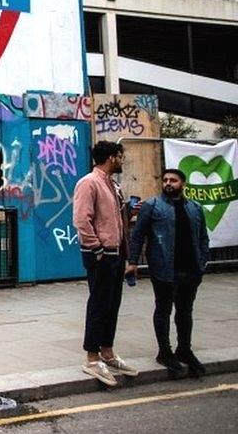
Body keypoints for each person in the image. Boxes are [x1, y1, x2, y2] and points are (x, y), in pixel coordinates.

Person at [128, 168, 210, 377]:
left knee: (185, 311)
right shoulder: (152, 206)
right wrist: (133, 262)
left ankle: (184, 349)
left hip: (190, 270)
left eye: (173, 180)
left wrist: (202, 263)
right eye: (165, 180)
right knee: (163, 310)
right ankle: (164, 351)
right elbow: (137, 235)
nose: (168, 183)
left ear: (183, 184)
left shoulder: (194, 208)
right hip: (164, 269)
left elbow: (202, 238)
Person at [72, 140, 138, 386]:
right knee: (99, 304)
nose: (122, 160)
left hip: (116, 254)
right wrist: (97, 249)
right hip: (101, 254)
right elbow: (81, 220)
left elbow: (112, 219)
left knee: (112, 304)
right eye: (120, 156)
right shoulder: (89, 183)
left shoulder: (112, 184)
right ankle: (91, 357)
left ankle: (107, 353)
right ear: (111, 157)